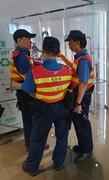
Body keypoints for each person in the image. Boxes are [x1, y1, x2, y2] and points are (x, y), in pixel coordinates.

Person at [21, 37, 72, 176]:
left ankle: (32, 167)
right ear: (59, 51)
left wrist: (40, 95)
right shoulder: (67, 70)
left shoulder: (35, 72)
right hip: (62, 108)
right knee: (62, 136)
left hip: (44, 109)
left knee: (38, 138)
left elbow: (28, 90)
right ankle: (59, 163)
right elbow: (69, 87)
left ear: (43, 51)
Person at [10, 29, 49, 151]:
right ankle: (33, 145)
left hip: (24, 91)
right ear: (19, 40)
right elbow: (28, 75)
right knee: (31, 119)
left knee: (29, 118)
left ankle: (31, 143)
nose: (31, 42)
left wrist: (38, 63)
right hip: (27, 92)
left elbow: (30, 67)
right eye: (28, 39)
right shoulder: (20, 56)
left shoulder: (24, 54)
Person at [60, 30, 95, 159]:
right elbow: (75, 69)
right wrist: (63, 57)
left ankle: (85, 150)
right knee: (80, 120)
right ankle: (85, 146)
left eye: (70, 42)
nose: (69, 44)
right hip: (80, 94)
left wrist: (78, 103)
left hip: (82, 95)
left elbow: (83, 84)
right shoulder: (79, 58)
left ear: (77, 42)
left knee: (81, 121)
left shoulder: (84, 60)